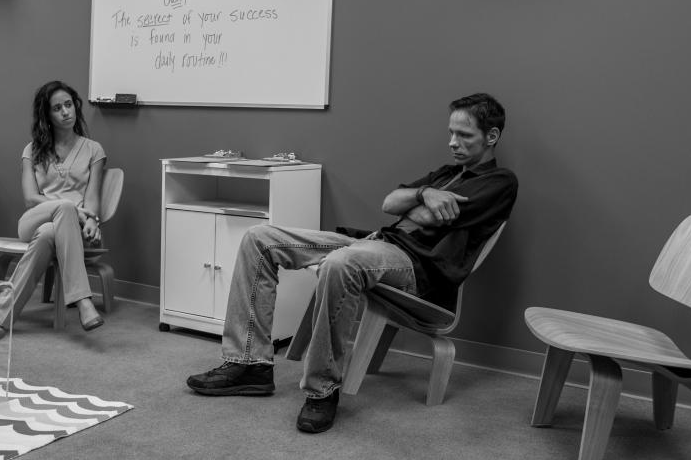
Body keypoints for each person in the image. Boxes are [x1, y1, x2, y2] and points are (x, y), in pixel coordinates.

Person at [186, 93, 518, 433]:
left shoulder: (500, 182)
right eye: (451, 133)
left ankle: (322, 390)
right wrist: (423, 193)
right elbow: (392, 202)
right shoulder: (448, 173)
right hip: (376, 244)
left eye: (464, 135)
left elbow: (427, 219)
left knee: (342, 263)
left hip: (416, 267)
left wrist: (418, 205)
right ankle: (249, 365)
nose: (452, 142)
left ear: (491, 136)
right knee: (260, 238)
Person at [0, 80, 106, 338]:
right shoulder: (32, 150)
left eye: (69, 105)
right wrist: (75, 209)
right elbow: (30, 198)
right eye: (57, 108)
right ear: (46, 115)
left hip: (72, 229)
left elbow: (93, 196)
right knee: (63, 208)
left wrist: (92, 219)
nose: (66, 112)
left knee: (48, 236)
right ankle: (84, 300)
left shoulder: (94, 150)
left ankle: (0, 316)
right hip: (33, 220)